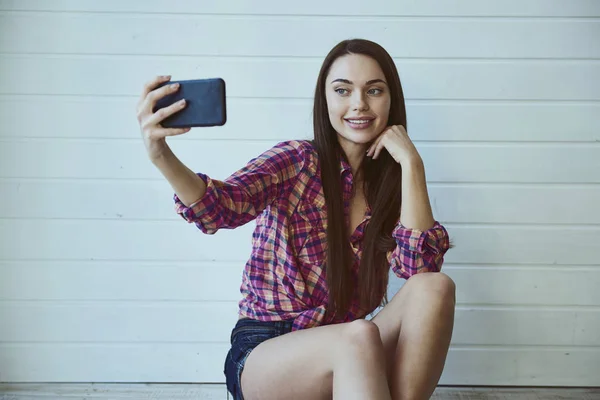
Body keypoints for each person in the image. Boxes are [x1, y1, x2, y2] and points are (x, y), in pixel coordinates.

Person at [137, 38, 455, 400]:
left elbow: (421, 270)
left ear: (391, 100)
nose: (359, 104)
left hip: (351, 349)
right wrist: (160, 154)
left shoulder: (392, 186)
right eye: (343, 90)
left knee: (435, 288)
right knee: (358, 334)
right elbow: (220, 208)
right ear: (326, 100)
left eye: (374, 90)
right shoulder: (298, 160)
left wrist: (412, 165)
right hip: (269, 351)